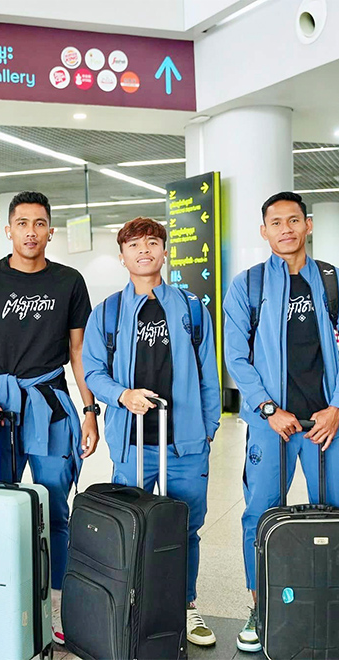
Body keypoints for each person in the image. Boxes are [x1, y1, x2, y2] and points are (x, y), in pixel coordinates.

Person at [0, 191, 99, 646]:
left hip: (51, 405)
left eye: (40, 223)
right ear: (9, 229)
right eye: (23, 223)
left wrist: (90, 410)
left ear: (51, 230)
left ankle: (54, 603)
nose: (31, 231)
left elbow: (79, 352)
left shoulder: (69, 281)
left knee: (56, 508)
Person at [223, 191, 339, 653]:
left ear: (307, 225)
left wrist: (338, 408)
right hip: (273, 424)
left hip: (327, 424)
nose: (285, 229)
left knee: (332, 517)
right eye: (274, 222)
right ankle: (261, 608)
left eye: (292, 220)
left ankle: (328, 608)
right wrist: (268, 408)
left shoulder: (332, 282)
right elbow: (237, 357)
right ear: (263, 231)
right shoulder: (246, 286)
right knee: (260, 516)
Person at [82, 217, 222, 647]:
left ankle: (186, 605)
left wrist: (210, 425)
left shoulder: (192, 309)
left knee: (185, 527)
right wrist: (122, 395)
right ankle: (131, 602)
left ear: (164, 252)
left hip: (185, 441)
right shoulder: (107, 313)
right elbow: (92, 371)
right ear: (122, 255)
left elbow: (207, 374)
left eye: (152, 243)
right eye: (134, 245)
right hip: (132, 442)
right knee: (130, 526)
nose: (144, 250)